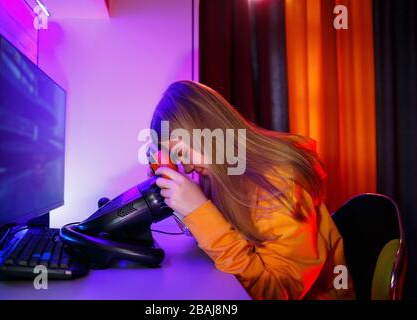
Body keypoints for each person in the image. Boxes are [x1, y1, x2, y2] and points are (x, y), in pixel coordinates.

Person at [150, 80, 355, 300]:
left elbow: (278, 293)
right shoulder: (219, 177)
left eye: (181, 153)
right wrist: (186, 209)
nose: (188, 167)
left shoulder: (280, 182)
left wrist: (200, 212)